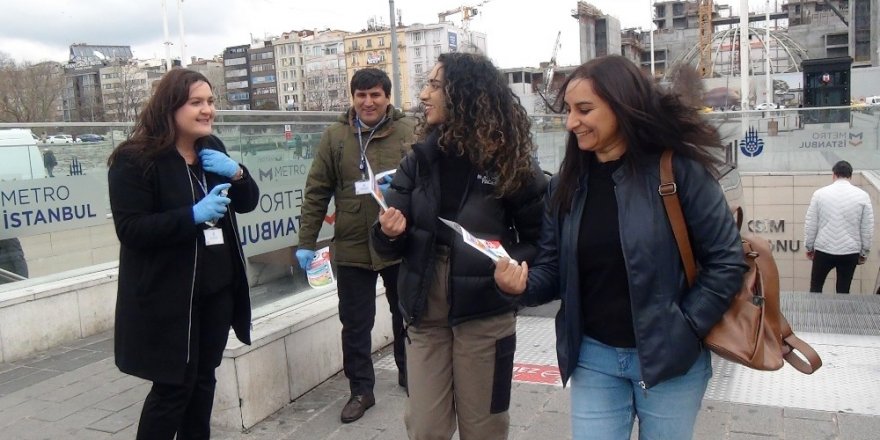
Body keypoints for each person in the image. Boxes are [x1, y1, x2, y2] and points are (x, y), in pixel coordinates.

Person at [494, 55, 747, 440]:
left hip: (672, 361)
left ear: (623, 106)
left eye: (584, 110)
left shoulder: (679, 172)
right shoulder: (566, 183)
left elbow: (726, 261)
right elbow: (552, 269)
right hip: (594, 358)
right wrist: (519, 285)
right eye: (568, 111)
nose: (571, 122)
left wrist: (686, 326)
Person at [372, 52, 547, 440]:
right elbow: (386, 244)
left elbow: (543, 239)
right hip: (425, 313)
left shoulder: (509, 161)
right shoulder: (419, 160)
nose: (423, 95)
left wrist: (509, 268)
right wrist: (389, 231)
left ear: (466, 94)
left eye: (435, 85)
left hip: (486, 315)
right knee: (425, 428)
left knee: (483, 429)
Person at [107, 68, 259, 439]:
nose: (207, 110)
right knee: (173, 388)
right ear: (170, 106)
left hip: (217, 291)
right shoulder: (135, 159)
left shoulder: (213, 149)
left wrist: (238, 173)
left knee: (204, 380)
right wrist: (191, 217)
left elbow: (248, 202)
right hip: (171, 298)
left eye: (210, 102)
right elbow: (131, 230)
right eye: (196, 103)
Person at [296, 67, 415, 424]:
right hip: (351, 245)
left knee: (406, 316)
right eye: (361, 95)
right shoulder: (335, 137)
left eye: (375, 95)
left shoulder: (408, 132)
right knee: (355, 324)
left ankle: (411, 375)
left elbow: (430, 184)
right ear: (353, 98)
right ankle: (361, 390)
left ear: (387, 97)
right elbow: (317, 190)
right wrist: (306, 241)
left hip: (397, 242)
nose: (368, 102)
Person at [804, 160, 874, 294]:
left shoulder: (819, 194)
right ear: (850, 176)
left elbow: (811, 223)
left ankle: (814, 313)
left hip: (824, 249)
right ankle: (841, 314)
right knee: (843, 290)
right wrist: (864, 252)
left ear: (834, 174)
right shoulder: (863, 196)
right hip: (850, 251)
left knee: (816, 287)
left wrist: (809, 246)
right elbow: (867, 227)